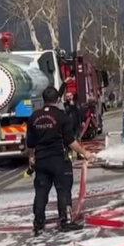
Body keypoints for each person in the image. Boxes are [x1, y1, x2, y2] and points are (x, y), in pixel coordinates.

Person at [26, 86, 96, 236]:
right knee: (63, 190)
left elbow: (30, 143)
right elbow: (70, 141)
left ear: (43, 99)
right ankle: (65, 222)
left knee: (41, 192)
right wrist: (85, 153)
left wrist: (31, 158)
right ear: (58, 99)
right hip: (59, 160)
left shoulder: (33, 117)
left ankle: (38, 223)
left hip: (41, 161)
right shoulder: (62, 116)